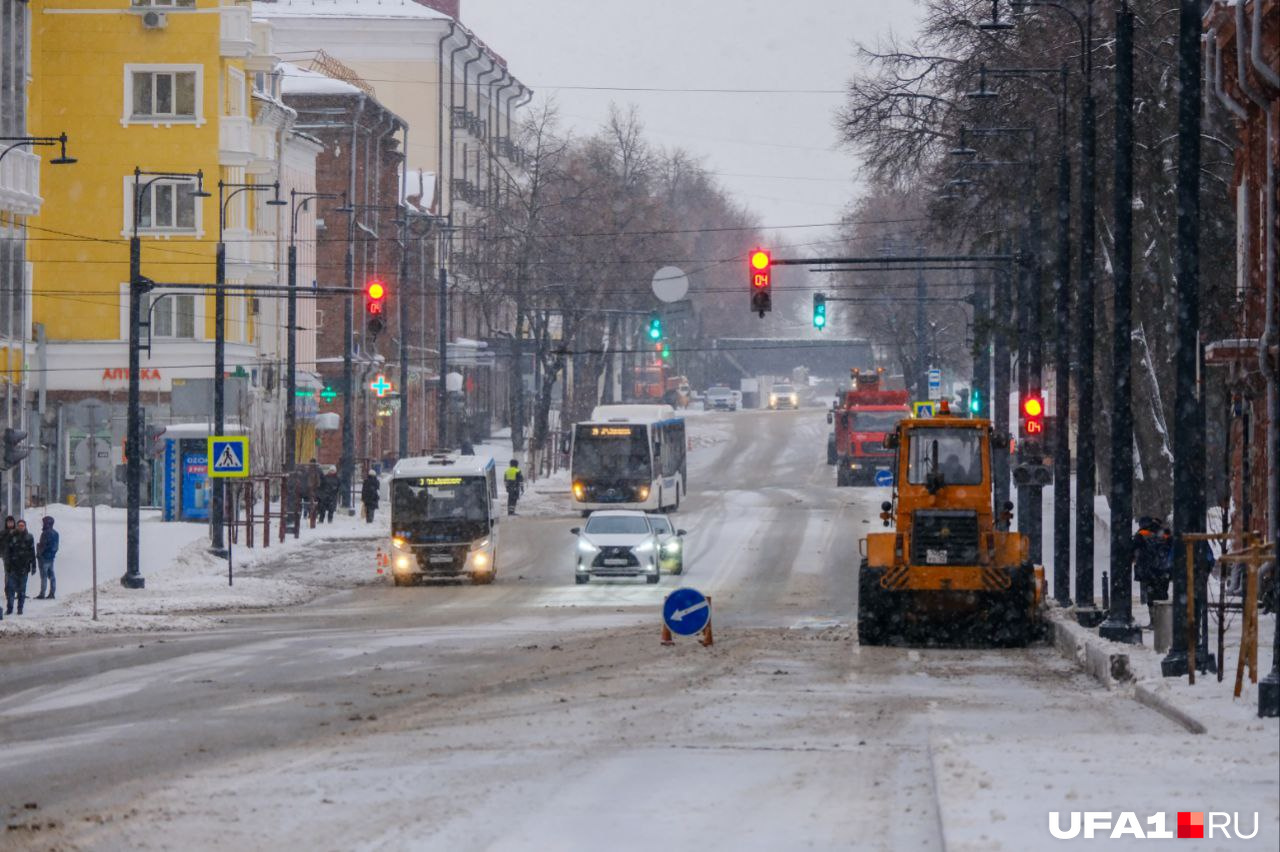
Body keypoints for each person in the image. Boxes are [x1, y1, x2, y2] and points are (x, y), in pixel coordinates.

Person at [1132, 516, 1170, 623]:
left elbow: (1133, 549)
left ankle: (1153, 621)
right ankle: (1162, 621)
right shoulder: (1165, 533)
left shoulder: (1141, 534)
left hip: (1147, 571)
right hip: (1163, 570)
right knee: (1162, 595)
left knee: (1150, 597)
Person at [4, 518, 36, 616]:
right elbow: (7, 552)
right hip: (13, 568)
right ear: (17, 526)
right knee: (11, 590)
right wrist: (7, 565)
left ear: (25, 526)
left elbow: (32, 552)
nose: (21, 527)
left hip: (24, 568)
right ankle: (9, 608)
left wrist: (33, 565)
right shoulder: (12, 536)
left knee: (22, 590)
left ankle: (20, 608)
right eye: (19, 525)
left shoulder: (29, 537)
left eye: (23, 525)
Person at [36, 516, 58, 600]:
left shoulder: (45, 533)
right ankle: (52, 593)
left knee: (44, 576)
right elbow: (55, 547)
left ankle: (42, 593)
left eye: (43, 522)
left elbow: (43, 545)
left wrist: (39, 551)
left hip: (43, 558)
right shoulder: (56, 533)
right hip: (51, 558)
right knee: (52, 576)